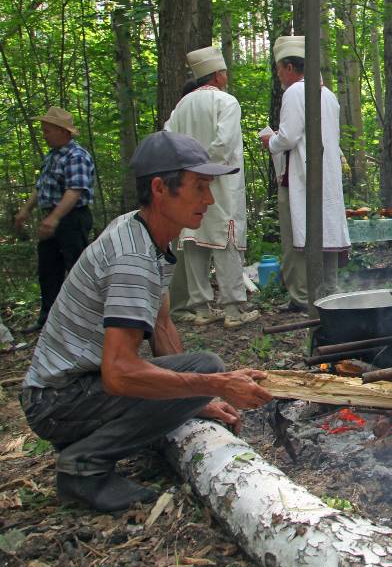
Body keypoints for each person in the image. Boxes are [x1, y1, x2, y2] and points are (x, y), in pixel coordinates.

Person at [19, 131, 273, 512]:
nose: (209, 199)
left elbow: (163, 325)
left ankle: (90, 444)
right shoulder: (132, 258)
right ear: (159, 188)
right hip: (58, 401)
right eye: (199, 187)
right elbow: (119, 373)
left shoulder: (148, 235)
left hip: (73, 391)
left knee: (203, 369)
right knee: (210, 369)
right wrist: (214, 385)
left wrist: (195, 400)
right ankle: (84, 466)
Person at [164, 46, 259, 328]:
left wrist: (187, 171)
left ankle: (201, 308)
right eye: (225, 71)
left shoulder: (181, 106)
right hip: (220, 181)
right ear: (217, 75)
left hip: (188, 183)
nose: (226, 76)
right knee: (225, 238)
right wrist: (204, 170)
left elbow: (169, 138)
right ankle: (232, 309)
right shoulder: (226, 102)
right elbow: (223, 144)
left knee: (194, 238)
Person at [259, 35, 350, 311]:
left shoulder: (295, 92)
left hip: (300, 176)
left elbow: (288, 138)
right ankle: (329, 292)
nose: (278, 75)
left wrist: (270, 141)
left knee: (296, 233)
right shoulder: (328, 94)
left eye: (278, 69)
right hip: (327, 174)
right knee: (327, 229)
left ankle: (300, 297)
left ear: (288, 67)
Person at [13, 107, 95, 333]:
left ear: (62, 131)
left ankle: (88, 318)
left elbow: (75, 190)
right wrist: (25, 210)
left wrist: (55, 218)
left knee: (77, 268)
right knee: (48, 268)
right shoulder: (52, 156)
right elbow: (41, 188)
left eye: (48, 130)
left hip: (72, 218)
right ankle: (49, 319)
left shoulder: (76, 156)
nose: (44, 135)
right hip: (53, 217)